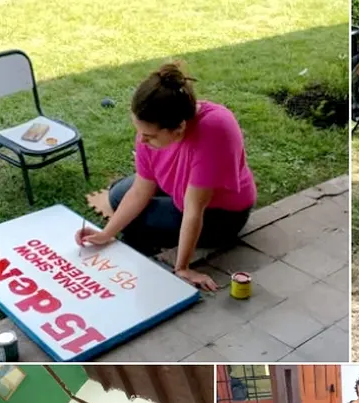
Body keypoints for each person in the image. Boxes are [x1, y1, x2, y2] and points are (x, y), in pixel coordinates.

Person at [76, 62, 257, 291]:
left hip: (220, 215)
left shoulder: (214, 131)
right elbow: (141, 189)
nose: (141, 141)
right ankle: (150, 226)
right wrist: (105, 234)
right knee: (117, 196)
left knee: (138, 221)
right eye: (139, 131)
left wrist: (182, 267)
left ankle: (150, 247)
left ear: (179, 129)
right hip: (178, 189)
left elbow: (194, 210)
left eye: (149, 136)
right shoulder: (154, 127)